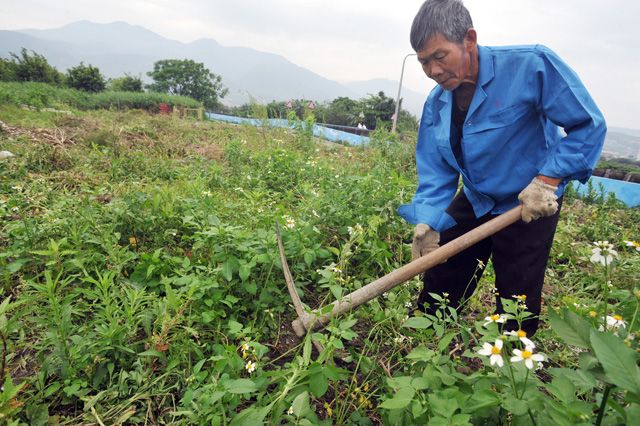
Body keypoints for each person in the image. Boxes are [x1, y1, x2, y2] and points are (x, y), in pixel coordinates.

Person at [397, 0, 606, 335]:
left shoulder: (531, 65)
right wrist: (428, 220)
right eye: (424, 61)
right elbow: (436, 170)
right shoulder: (437, 103)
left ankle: (512, 361)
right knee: (443, 272)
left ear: (468, 39)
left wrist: (546, 181)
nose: (433, 70)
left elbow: (587, 125)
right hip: (478, 197)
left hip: (530, 199)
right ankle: (425, 342)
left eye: (439, 56)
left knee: (517, 292)